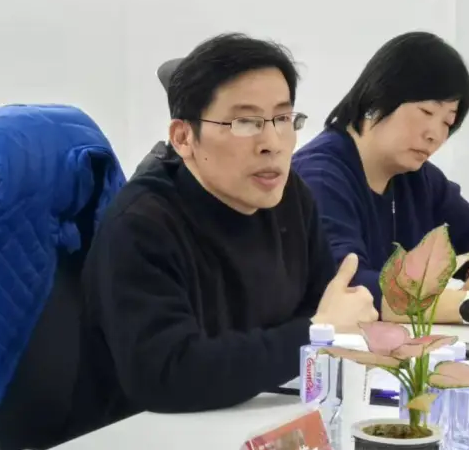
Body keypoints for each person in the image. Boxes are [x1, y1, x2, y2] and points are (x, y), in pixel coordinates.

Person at [81, 33, 377, 423]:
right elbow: (169, 373)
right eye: (245, 122)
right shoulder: (141, 225)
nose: (272, 143)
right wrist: (315, 334)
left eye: (283, 119)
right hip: (149, 439)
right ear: (183, 137)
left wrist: (319, 329)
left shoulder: (290, 196)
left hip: (255, 418)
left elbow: (324, 305)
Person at [293, 32, 469, 327]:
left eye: (447, 121)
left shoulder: (417, 178)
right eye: (426, 111)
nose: (435, 134)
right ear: (379, 96)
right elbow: (350, 288)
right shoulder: (319, 176)